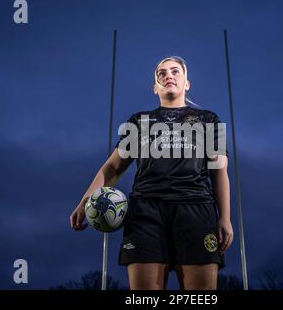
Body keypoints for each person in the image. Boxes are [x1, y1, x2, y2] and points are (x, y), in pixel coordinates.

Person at [70, 56, 233, 290]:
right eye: (162, 73)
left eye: (176, 71)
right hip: (145, 213)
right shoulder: (139, 121)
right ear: (155, 86)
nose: (169, 76)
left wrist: (224, 217)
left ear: (187, 83)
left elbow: (220, 171)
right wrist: (84, 202)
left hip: (196, 209)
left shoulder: (209, 120)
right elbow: (113, 167)